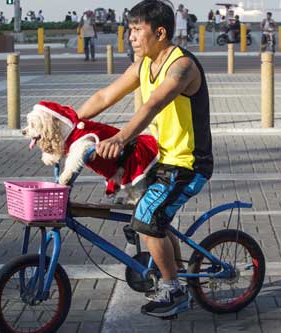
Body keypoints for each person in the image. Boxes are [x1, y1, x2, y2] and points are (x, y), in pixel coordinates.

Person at [77, 0, 213, 318]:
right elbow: (105, 96)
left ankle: (174, 291)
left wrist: (121, 138)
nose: (131, 37)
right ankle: (175, 275)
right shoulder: (142, 65)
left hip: (190, 163)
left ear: (160, 32)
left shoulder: (182, 67)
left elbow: (151, 105)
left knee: (148, 220)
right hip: (166, 160)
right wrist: (68, 121)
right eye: (130, 29)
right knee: (147, 216)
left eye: (138, 30)